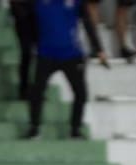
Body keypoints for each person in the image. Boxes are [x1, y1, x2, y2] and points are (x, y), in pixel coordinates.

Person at [25, 0, 105, 140]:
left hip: (72, 55)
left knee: (80, 93)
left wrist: (98, 49)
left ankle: (75, 130)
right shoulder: (37, 3)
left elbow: (87, 23)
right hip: (45, 54)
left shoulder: (76, 2)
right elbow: (29, 24)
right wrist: (32, 45)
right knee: (37, 91)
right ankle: (34, 128)